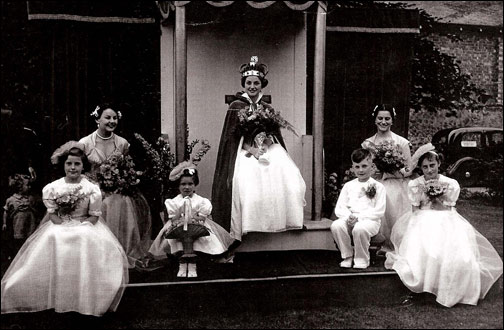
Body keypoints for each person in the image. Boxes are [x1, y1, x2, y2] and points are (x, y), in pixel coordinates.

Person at [1, 142, 128, 316]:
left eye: (77, 164)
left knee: (84, 237)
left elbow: (94, 215)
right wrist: (62, 224)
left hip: (85, 224)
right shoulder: (53, 188)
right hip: (61, 224)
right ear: (63, 166)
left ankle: (84, 296)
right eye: (69, 163)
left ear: (83, 166)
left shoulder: (91, 189)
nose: (73, 167)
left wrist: (83, 224)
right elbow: (52, 214)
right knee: (55, 236)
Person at [385, 146, 503, 307]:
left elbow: (449, 207)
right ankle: (423, 289)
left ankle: (447, 289)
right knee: (425, 250)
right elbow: (415, 209)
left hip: (445, 217)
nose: (429, 170)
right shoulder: (415, 184)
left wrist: (437, 197)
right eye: (425, 167)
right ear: (420, 168)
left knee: (455, 254)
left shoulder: (450, 183)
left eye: (432, 165)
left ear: (438, 163)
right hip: (423, 217)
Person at [211, 56, 306, 246]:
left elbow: (274, 133)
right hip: (245, 151)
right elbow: (232, 138)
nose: (252, 86)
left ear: (262, 85)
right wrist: (251, 149)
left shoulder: (267, 108)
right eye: (249, 83)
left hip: (267, 148)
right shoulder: (236, 107)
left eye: (256, 83)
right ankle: (247, 222)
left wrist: (265, 142)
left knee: (288, 178)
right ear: (243, 84)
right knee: (246, 182)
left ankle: (274, 220)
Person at [79, 103, 151, 268]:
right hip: (93, 187)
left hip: (116, 188)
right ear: (97, 119)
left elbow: (126, 167)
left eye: (115, 118)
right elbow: (79, 167)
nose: (112, 121)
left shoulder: (122, 143)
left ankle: (119, 252)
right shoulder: (85, 143)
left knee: (119, 202)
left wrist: (122, 180)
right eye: (107, 117)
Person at [148, 165, 234, 277]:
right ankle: (182, 264)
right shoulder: (174, 202)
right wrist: (180, 217)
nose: (187, 187)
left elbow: (202, 218)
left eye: (190, 184)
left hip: (197, 225)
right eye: (183, 184)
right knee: (176, 240)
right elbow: (173, 218)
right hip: (178, 225)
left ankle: (193, 264)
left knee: (201, 238)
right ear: (178, 186)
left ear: (195, 185)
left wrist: (193, 219)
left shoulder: (201, 201)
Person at [362, 104, 412, 251]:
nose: (383, 122)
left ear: (392, 120)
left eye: (387, 118)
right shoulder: (367, 143)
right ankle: (369, 244)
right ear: (375, 119)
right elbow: (363, 165)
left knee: (390, 198)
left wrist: (390, 171)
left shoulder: (401, 142)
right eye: (380, 118)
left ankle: (390, 245)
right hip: (374, 181)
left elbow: (408, 169)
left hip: (395, 183)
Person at [330, 148, 386, 269]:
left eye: (364, 166)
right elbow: (340, 207)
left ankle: (361, 259)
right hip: (350, 219)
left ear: (372, 166)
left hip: (370, 221)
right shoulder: (348, 186)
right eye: (357, 166)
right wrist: (348, 217)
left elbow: (379, 211)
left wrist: (359, 218)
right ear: (353, 167)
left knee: (360, 228)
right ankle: (347, 256)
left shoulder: (378, 187)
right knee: (336, 225)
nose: (360, 170)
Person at [2, 174, 39, 260]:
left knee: (30, 240)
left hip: (30, 224)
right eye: (27, 185)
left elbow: (35, 211)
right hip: (18, 224)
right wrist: (4, 223)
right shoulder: (11, 200)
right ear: (20, 187)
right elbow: (6, 211)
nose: (29, 187)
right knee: (19, 241)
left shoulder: (30, 198)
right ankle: (19, 258)